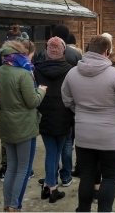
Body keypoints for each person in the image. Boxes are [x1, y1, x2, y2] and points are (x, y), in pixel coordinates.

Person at [61, 36, 115, 212]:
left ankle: (83, 209)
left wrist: (80, 111)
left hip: (84, 134)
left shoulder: (72, 74)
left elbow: (67, 99)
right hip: (112, 136)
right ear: (106, 52)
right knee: (110, 177)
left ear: (88, 50)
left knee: (87, 175)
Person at [0, 39, 46, 212]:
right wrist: (42, 91)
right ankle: (15, 206)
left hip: (7, 122)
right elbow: (32, 102)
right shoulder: (23, 73)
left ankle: (8, 204)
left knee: (11, 167)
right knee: (23, 168)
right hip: (24, 126)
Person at [34, 37, 74, 203]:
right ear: (63, 52)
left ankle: (48, 185)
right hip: (64, 113)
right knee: (55, 151)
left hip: (44, 113)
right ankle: (51, 187)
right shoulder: (70, 69)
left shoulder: (36, 69)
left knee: (52, 151)